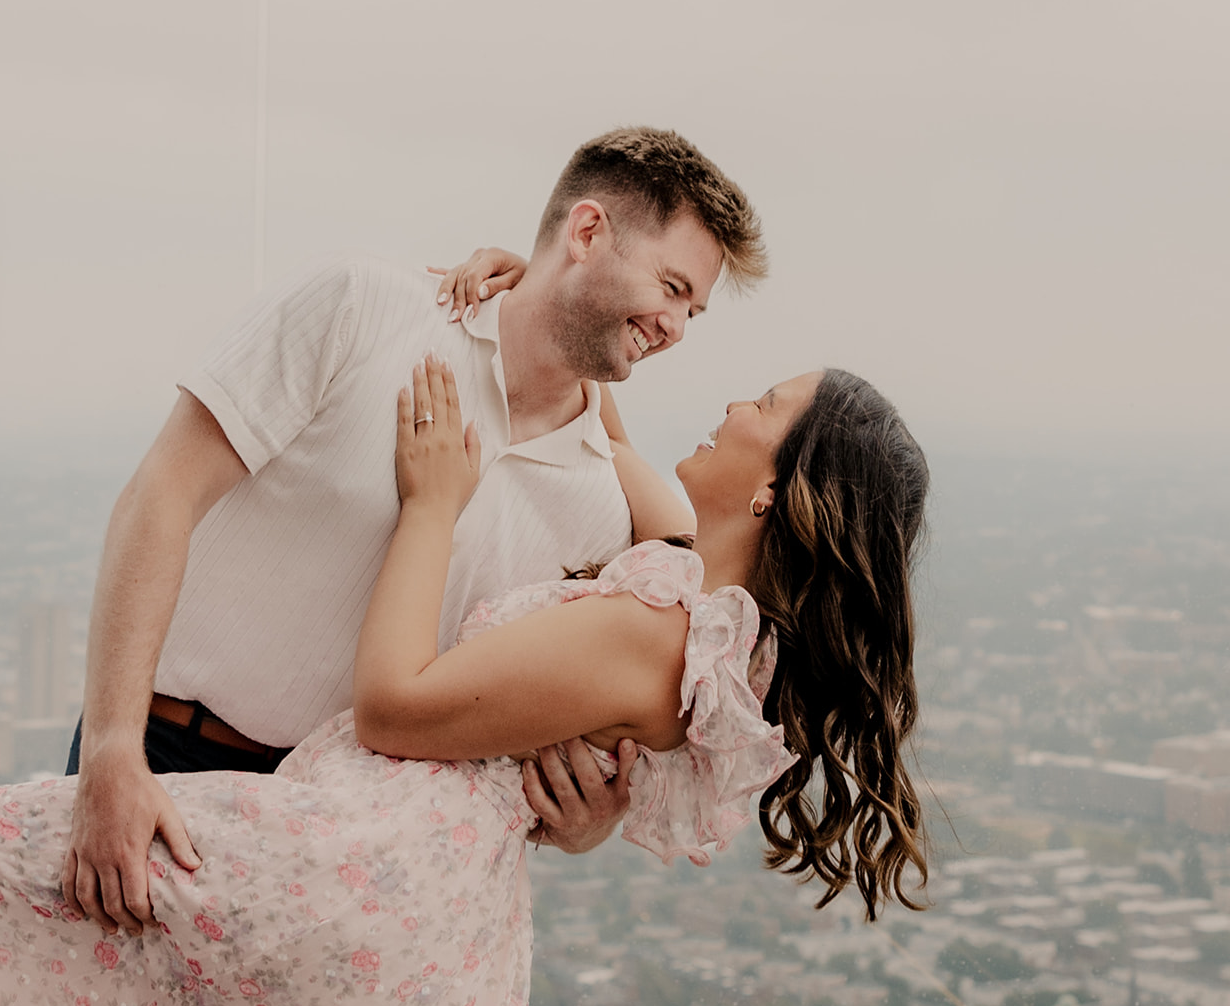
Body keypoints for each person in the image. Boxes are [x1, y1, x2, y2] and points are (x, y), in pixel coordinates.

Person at [0, 358, 930, 1006]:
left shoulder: (655, 628)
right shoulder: (703, 608)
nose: (731, 400)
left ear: (780, 487)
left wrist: (431, 503)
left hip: (360, 860)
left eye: (763, 405)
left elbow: (395, 705)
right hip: (417, 901)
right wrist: (536, 293)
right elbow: (607, 420)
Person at [62, 126, 769, 936]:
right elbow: (162, 491)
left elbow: (540, 722)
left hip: (339, 850)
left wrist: (584, 822)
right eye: (672, 286)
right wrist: (114, 750)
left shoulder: (610, 511)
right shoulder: (362, 307)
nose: (677, 325)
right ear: (586, 232)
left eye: (694, 310)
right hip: (156, 756)